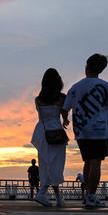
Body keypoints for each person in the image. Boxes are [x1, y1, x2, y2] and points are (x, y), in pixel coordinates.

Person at [62, 54, 108, 208]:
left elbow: (65, 108)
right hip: (99, 129)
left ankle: (88, 194)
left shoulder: (75, 87)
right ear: (101, 69)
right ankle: (91, 196)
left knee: (87, 161)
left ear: (87, 65)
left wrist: (65, 119)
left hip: (81, 130)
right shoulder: (107, 86)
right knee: (96, 162)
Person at [32, 68, 69, 207]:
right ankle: (42, 193)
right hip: (56, 133)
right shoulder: (62, 98)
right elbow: (64, 115)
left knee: (46, 164)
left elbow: (42, 116)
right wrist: (65, 119)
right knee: (56, 165)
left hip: (42, 132)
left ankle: (58, 197)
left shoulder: (38, 100)